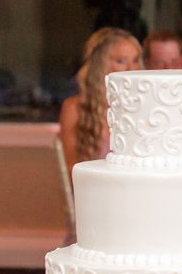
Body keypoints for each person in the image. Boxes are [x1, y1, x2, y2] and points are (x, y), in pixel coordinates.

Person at [58, 27, 141, 171]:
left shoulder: (146, 109)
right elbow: (71, 170)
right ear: (100, 65)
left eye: (135, 60)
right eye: (121, 61)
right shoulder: (75, 108)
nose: (131, 69)